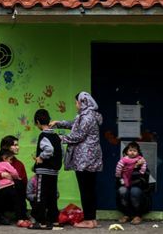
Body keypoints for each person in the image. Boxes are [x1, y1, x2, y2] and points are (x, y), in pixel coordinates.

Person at [51, 91, 103, 229]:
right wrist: (58, 123)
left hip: (85, 159)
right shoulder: (88, 116)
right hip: (91, 158)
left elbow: (78, 135)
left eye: (76, 102)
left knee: (86, 189)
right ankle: (92, 219)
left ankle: (89, 220)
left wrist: (58, 139)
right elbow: (73, 124)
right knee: (90, 189)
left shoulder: (86, 118)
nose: (75, 105)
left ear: (82, 102)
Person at [0, 135, 30, 227]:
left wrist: (13, 179)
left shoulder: (19, 164)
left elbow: (24, 182)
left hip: (14, 198)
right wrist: (1, 175)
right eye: (15, 145)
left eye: (17, 145)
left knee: (19, 184)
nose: (17, 147)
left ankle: (21, 216)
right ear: (6, 147)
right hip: (0, 197)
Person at [31, 108, 61, 230]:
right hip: (54, 171)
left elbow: (49, 150)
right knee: (52, 196)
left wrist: (40, 157)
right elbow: (60, 151)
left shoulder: (44, 135)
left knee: (41, 196)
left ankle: (41, 221)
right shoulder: (55, 135)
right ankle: (54, 220)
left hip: (44, 170)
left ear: (38, 122)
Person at [115, 141, 150, 225]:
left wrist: (135, 168)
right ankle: (127, 214)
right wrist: (121, 179)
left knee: (134, 191)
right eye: (130, 150)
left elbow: (144, 179)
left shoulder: (141, 163)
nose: (132, 153)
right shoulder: (123, 162)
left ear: (138, 152)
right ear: (127, 152)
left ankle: (137, 215)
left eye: (135, 151)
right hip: (126, 185)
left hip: (138, 188)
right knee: (122, 190)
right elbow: (117, 177)